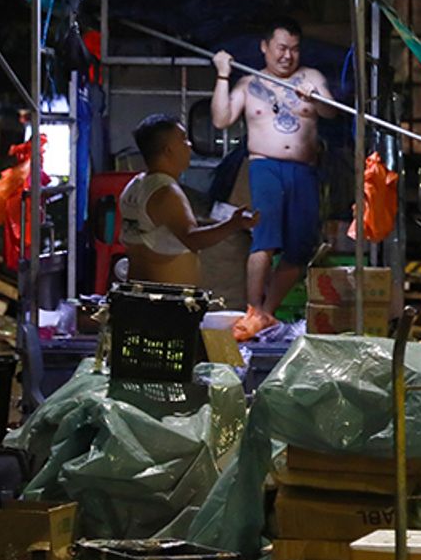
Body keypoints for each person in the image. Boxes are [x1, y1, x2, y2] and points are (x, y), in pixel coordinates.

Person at [211, 18, 339, 339]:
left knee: (300, 249)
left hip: (304, 170)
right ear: (265, 47)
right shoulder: (248, 84)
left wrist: (315, 97)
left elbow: (331, 112)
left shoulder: (311, 77)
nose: (287, 56)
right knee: (264, 239)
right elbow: (221, 119)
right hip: (265, 167)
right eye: (281, 48)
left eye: (294, 49)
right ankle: (254, 309)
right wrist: (223, 75)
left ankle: (266, 313)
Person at [117, 114, 256, 287]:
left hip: (142, 293)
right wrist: (234, 224)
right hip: (165, 301)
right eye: (183, 139)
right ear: (168, 150)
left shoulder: (136, 185)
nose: (189, 146)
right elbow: (192, 240)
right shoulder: (166, 191)